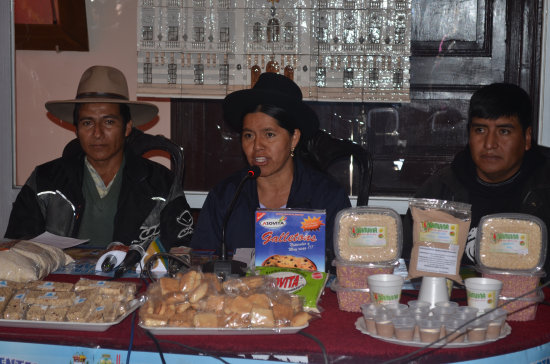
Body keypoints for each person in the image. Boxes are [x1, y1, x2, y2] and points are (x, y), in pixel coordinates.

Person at [5, 65, 193, 250]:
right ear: (76, 129)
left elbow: (182, 248)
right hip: (59, 280)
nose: (97, 133)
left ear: (127, 127)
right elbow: (17, 247)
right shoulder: (44, 181)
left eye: (109, 122)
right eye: (87, 123)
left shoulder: (161, 183)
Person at [190, 72, 351, 266]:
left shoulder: (327, 197)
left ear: (294, 138)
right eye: (249, 135)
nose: (257, 146)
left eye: (269, 134)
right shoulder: (226, 196)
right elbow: (201, 263)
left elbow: (344, 268)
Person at [403, 83, 550, 277]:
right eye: (480, 130)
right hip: (455, 304)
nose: (490, 144)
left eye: (504, 131)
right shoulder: (441, 189)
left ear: (527, 137)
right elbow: (407, 268)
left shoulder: (544, 187)